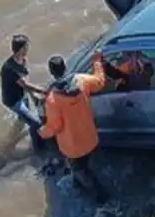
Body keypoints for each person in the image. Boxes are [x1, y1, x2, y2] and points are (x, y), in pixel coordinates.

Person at [39, 51, 109, 203]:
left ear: (52, 73)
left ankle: (100, 196)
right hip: (90, 137)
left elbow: (55, 126)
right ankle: (86, 183)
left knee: (79, 169)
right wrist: (97, 61)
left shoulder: (53, 100)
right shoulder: (82, 80)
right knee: (86, 163)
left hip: (72, 146)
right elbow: (100, 81)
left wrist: (42, 132)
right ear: (65, 67)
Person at [0, 34, 48, 157]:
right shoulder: (10, 69)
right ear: (21, 48)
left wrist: (33, 96)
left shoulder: (23, 60)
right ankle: (36, 149)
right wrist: (44, 91)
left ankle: (17, 129)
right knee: (35, 123)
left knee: (23, 118)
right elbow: (25, 83)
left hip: (22, 94)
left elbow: (26, 80)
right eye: (27, 46)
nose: (28, 48)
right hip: (13, 101)